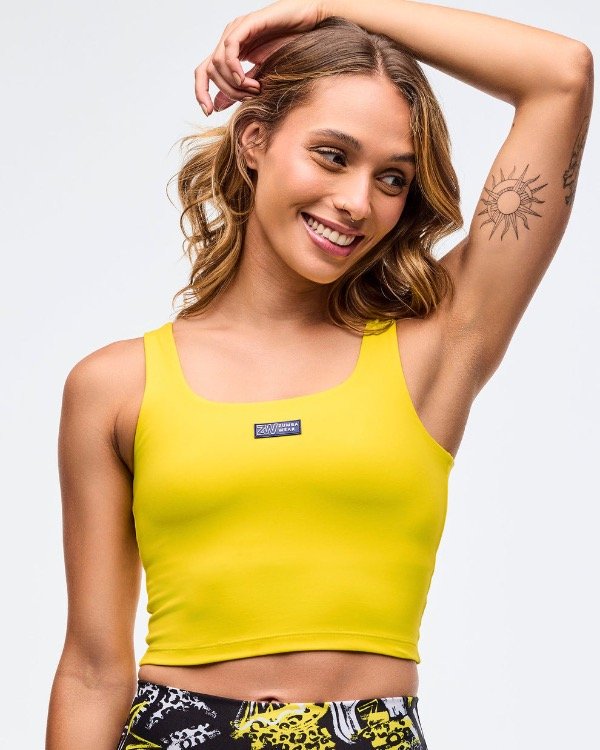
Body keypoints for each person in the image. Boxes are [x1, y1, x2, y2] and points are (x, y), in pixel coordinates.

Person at [45, 1, 593, 748]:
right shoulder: (115, 387)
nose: (356, 202)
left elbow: (561, 75)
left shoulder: (436, 346)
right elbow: (92, 670)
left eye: (392, 178)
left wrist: (335, 6)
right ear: (255, 139)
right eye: (332, 155)